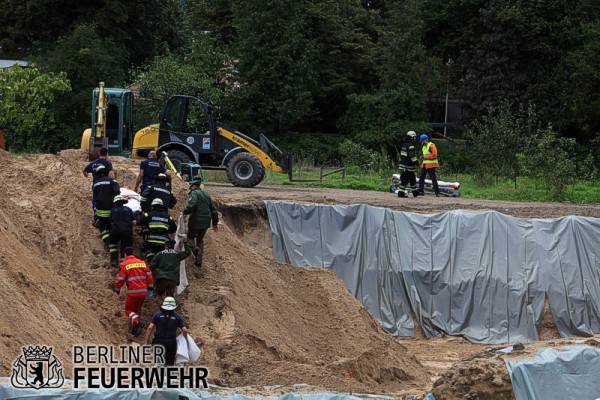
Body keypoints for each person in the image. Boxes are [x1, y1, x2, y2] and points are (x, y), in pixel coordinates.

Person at [115, 247, 154, 335]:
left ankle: (137, 322)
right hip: (143, 291)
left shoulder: (124, 264)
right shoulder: (142, 263)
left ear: (125, 254)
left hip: (133, 292)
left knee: (128, 310)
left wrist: (117, 289)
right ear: (133, 253)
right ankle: (134, 329)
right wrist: (150, 289)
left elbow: (120, 279)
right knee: (136, 311)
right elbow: (149, 276)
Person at [183, 180, 219, 269]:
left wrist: (185, 212)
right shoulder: (206, 194)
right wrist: (215, 223)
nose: (190, 188)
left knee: (190, 238)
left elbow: (192, 204)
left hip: (196, 220)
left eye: (191, 187)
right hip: (206, 221)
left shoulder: (194, 193)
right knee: (200, 240)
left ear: (194, 186)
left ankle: (196, 250)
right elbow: (214, 210)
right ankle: (199, 260)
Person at [144, 296, 189, 366]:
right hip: (171, 343)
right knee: (169, 363)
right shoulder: (177, 317)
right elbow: (185, 330)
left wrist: (146, 341)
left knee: (158, 361)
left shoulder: (157, 315)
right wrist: (185, 340)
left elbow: (150, 328)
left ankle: (157, 372)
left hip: (158, 341)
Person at [139, 198, 177, 262]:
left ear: (153, 206)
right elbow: (173, 229)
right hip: (164, 242)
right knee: (160, 258)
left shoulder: (148, 214)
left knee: (149, 252)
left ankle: (150, 262)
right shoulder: (168, 217)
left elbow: (140, 222)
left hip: (151, 240)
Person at [92, 165, 121, 247]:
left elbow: (94, 198)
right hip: (112, 209)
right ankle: (114, 241)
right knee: (111, 225)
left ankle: (107, 242)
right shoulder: (113, 182)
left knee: (103, 227)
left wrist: (94, 209)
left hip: (100, 210)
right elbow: (118, 193)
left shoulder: (96, 184)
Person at [83, 148, 113, 219]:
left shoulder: (93, 163)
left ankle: (96, 213)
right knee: (106, 198)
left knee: (95, 199)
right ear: (106, 155)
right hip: (106, 184)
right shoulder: (108, 163)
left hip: (96, 185)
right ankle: (106, 215)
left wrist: (86, 175)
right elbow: (111, 174)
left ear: (99, 153)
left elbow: (84, 170)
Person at [109, 195, 136, 266]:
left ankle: (114, 260)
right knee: (125, 246)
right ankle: (123, 263)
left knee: (112, 243)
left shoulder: (113, 210)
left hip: (116, 230)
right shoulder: (128, 209)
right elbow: (134, 221)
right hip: (127, 230)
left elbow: (111, 222)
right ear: (123, 202)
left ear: (115, 203)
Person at [398, 131, 420, 198]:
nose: (415, 138)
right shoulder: (410, 145)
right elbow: (412, 156)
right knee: (405, 180)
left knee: (412, 179)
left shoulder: (404, 144)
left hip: (404, 165)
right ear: (412, 137)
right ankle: (401, 193)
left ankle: (415, 193)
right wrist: (417, 163)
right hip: (407, 166)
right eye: (414, 137)